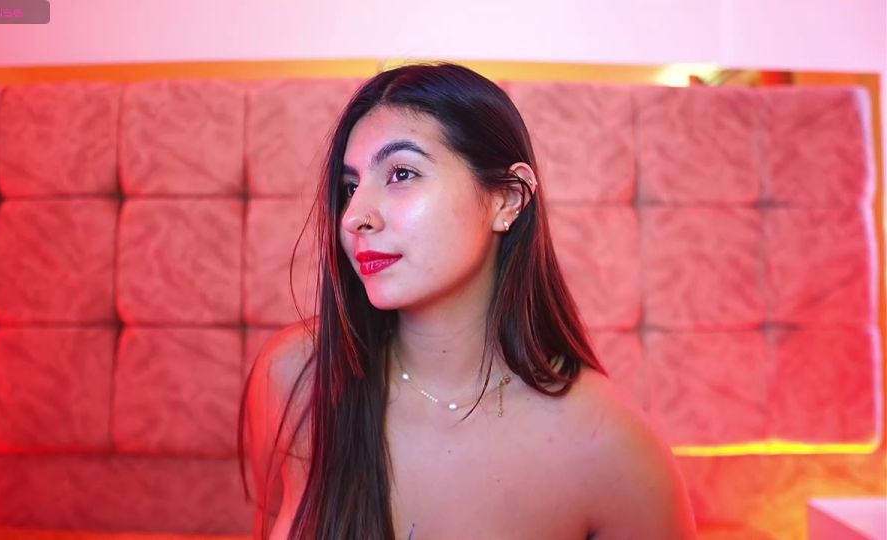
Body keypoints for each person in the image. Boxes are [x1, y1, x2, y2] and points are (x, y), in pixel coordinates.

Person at [239, 62, 696, 539]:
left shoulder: (610, 449)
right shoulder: (298, 377)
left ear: (507, 199)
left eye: (401, 173)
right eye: (350, 188)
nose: (354, 216)